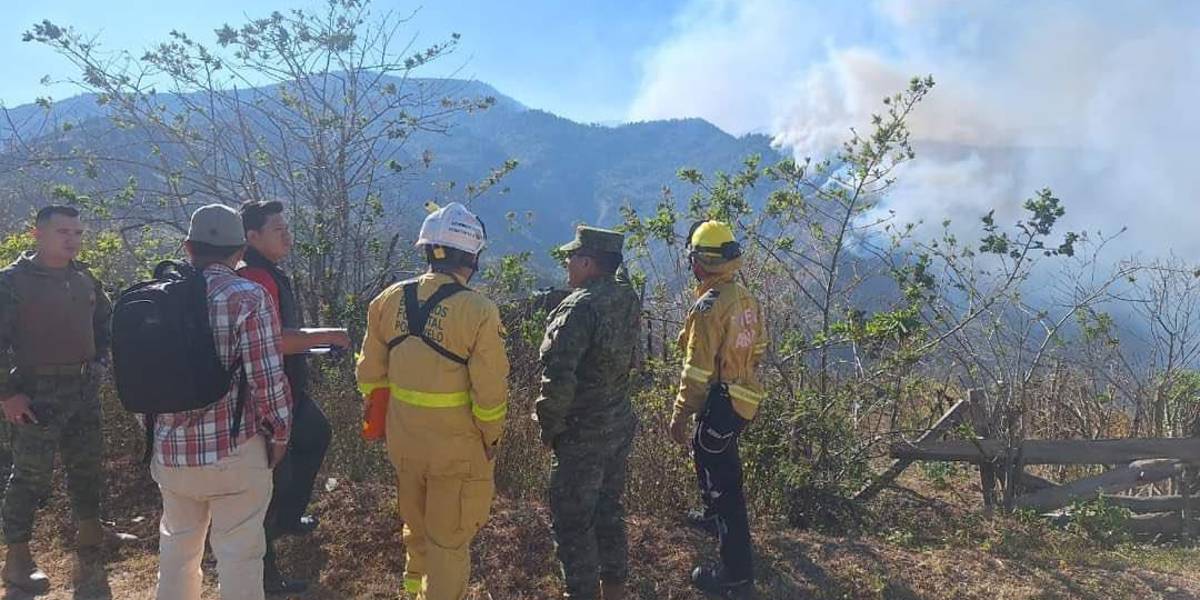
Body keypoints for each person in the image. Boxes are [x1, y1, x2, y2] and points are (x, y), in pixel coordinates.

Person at [356, 202, 508, 600]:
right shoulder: (478, 310)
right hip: (456, 453)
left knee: (417, 531)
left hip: (405, 446)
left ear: (428, 250)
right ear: (471, 256)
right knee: (448, 544)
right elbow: (490, 394)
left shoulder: (387, 300)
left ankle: (412, 592)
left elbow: (369, 375)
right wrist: (490, 439)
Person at [151, 203, 292, 600]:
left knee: (177, 548)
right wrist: (280, 434)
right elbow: (267, 379)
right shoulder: (248, 296)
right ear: (239, 251)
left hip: (170, 453)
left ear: (187, 247)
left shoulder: (157, 297)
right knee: (240, 555)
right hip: (234, 450)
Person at [0, 205, 119, 593]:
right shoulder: (11, 283)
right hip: (36, 394)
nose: (72, 240)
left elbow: (105, 322)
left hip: (83, 389)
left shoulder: (84, 278)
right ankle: (17, 558)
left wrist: (101, 361)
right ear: (37, 234)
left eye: (78, 233)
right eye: (63, 232)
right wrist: (8, 394)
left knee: (86, 465)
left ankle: (90, 533)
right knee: (30, 476)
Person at [238, 200, 347, 594]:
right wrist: (328, 336)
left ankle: (287, 517)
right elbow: (272, 341)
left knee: (315, 434)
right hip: (267, 398)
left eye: (287, 226)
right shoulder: (255, 277)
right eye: (277, 229)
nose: (287, 234)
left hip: (288, 391)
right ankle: (264, 574)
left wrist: (313, 346)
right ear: (252, 237)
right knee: (269, 479)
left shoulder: (268, 272)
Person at [535, 226, 641, 600]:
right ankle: (613, 590)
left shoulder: (579, 307)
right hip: (617, 423)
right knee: (609, 510)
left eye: (571, 257)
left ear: (587, 262)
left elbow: (559, 377)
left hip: (582, 433)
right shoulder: (626, 297)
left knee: (573, 522)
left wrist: (548, 428)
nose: (567, 263)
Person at [667, 220, 765, 595]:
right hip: (742, 398)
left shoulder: (709, 307)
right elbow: (759, 348)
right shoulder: (745, 297)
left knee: (727, 490)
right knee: (711, 457)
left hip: (721, 400)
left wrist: (679, 415)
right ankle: (712, 518)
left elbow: (696, 372)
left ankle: (736, 576)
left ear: (702, 262)